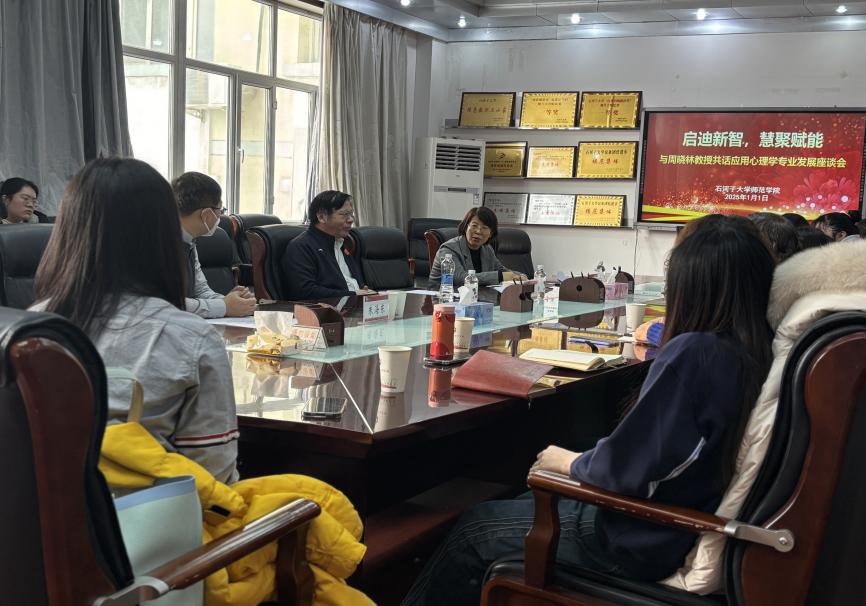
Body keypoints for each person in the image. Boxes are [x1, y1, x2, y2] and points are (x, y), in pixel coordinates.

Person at [402, 214, 775, 606]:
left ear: (692, 284)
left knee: (473, 529)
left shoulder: (697, 354)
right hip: (667, 519)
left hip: (633, 534)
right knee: (520, 498)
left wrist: (567, 461)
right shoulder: (750, 348)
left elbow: (626, 470)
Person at [32, 158, 239, 483]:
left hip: (33, 513)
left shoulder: (27, 327)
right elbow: (215, 477)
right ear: (163, 233)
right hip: (145, 514)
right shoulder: (191, 338)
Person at [171, 171, 256, 318]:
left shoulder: (190, 241)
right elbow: (168, 304)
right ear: (206, 214)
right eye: (220, 210)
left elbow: (201, 290)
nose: (221, 216)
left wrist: (232, 302)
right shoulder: (159, 244)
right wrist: (224, 307)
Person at [283, 190, 374, 300]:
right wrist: (353, 294)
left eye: (351, 214)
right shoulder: (300, 247)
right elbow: (305, 291)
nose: (350, 220)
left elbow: (352, 281)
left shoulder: (341, 243)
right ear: (322, 217)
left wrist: (363, 290)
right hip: (326, 309)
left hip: (354, 306)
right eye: (344, 214)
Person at [429, 207, 526, 288]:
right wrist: (501, 276)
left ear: (491, 233)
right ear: (466, 227)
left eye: (484, 228)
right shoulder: (448, 249)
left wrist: (519, 276)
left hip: (476, 298)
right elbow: (460, 278)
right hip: (442, 298)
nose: (478, 231)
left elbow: (501, 269)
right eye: (474, 226)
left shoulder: (487, 249)